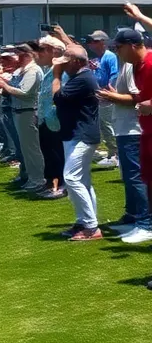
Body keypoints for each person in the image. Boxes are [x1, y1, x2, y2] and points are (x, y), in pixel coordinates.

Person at [99, 28, 152, 243]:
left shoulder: (143, 64)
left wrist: (113, 97)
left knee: (137, 176)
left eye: (118, 47)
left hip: (134, 129)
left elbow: (136, 99)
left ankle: (146, 223)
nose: (116, 52)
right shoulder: (134, 65)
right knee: (132, 176)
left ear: (131, 45)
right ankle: (136, 217)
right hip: (133, 127)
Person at [52, 44, 102, 241]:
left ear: (77, 62)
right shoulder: (79, 77)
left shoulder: (83, 78)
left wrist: (56, 76)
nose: (63, 66)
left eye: (66, 62)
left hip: (82, 135)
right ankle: (84, 221)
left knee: (71, 178)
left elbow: (58, 97)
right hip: (76, 134)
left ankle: (91, 227)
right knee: (83, 181)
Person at [0, 45, 45, 194]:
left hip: (28, 112)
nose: (16, 57)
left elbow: (25, 93)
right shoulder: (23, 70)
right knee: (25, 150)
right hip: (20, 111)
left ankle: (37, 180)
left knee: (31, 150)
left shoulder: (33, 70)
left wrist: (3, 85)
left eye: (18, 53)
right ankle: (30, 178)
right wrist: (2, 87)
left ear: (27, 54)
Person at [34, 36, 66, 199]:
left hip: (55, 121)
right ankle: (50, 183)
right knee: (48, 153)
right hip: (45, 120)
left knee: (57, 155)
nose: (38, 53)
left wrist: (52, 115)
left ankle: (59, 186)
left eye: (42, 50)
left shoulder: (61, 70)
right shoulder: (48, 70)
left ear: (54, 51)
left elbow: (60, 95)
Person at [86, 31, 121, 167]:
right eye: (90, 42)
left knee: (107, 125)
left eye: (95, 41)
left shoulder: (109, 56)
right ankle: (112, 153)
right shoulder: (97, 59)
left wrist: (108, 91)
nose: (91, 44)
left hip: (106, 97)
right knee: (103, 125)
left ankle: (115, 154)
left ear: (103, 42)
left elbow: (114, 75)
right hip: (98, 96)